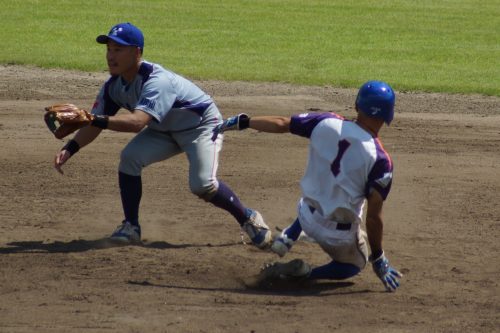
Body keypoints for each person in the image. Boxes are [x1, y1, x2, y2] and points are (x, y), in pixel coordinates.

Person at [52, 22, 272, 248]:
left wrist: (94, 119)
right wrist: (70, 148)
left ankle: (248, 218)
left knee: (202, 185)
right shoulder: (113, 86)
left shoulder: (157, 81)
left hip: (200, 126)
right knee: (130, 158)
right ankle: (131, 227)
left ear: (137, 52)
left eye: (118, 50)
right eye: (109, 49)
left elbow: (137, 123)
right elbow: (93, 124)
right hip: (163, 130)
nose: (110, 56)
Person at [213, 81, 403, 291]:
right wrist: (378, 258)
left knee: (315, 195)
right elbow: (374, 218)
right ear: (388, 115)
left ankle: (288, 236)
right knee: (356, 264)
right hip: (337, 236)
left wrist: (244, 122)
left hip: (306, 215)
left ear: (357, 105)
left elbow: (282, 123)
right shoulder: (381, 160)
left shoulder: (327, 121)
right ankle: (307, 272)